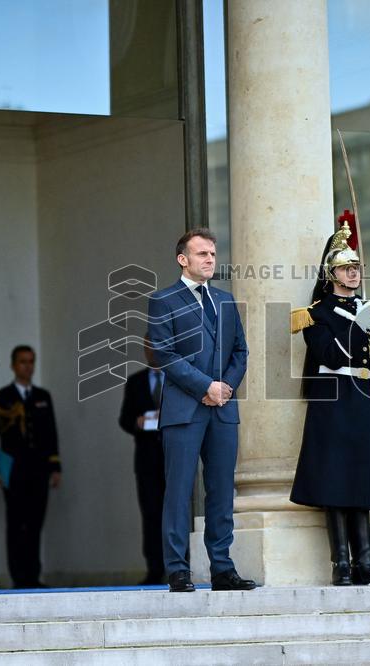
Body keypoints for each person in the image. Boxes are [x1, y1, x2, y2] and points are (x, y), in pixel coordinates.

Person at [289, 219, 370, 586]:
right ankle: (341, 564)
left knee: (362, 483)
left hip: (368, 402)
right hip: (336, 402)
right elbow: (332, 353)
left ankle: (364, 563)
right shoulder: (317, 314)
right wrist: (359, 325)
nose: (353, 274)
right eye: (345, 268)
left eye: (356, 268)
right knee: (335, 483)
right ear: (332, 272)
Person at [146, 228, 254, 592]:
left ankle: (222, 568)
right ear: (183, 259)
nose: (210, 259)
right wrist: (204, 386)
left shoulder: (225, 300)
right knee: (178, 490)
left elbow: (241, 351)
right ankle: (178, 568)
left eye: (212, 253)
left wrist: (224, 388)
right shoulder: (164, 300)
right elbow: (164, 354)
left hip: (223, 409)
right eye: (202, 254)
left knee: (222, 490)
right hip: (184, 410)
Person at [0, 345, 61, 589]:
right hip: (13, 468)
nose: (27, 366)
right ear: (13, 365)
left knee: (36, 522)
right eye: (22, 362)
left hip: (39, 468)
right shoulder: (1, 397)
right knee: (17, 522)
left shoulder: (42, 396)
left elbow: (51, 434)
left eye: (31, 362)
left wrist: (55, 466)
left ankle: (33, 576)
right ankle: (19, 577)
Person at [118, 340, 166, 585]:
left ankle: (180, 564)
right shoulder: (135, 382)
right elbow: (124, 419)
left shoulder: (178, 377)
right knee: (150, 514)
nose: (154, 350)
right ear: (145, 349)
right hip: (146, 459)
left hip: (174, 457)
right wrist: (136, 423)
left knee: (177, 511)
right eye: (150, 346)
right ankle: (154, 568)